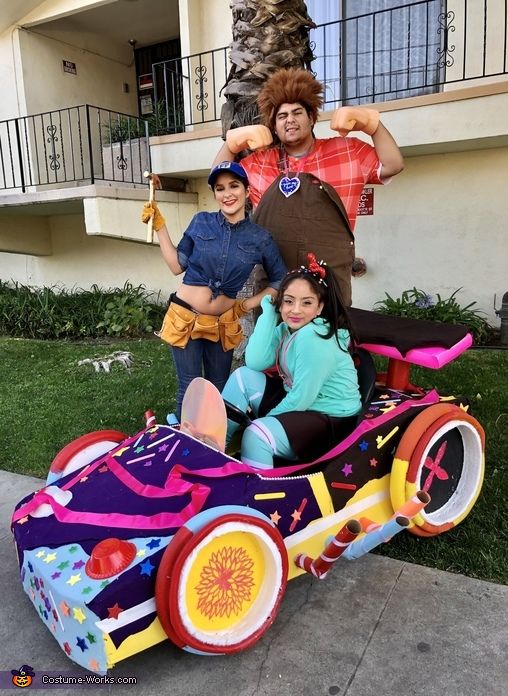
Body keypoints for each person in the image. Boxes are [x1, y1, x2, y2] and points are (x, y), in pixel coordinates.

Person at [213, 68, 404, 306]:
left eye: (297, 112)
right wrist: (231, 145)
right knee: (274, 341)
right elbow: (219, 180)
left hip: (330, 277)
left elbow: (393, 164)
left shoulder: (348, 151)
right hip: (275, 277)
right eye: (281, 116)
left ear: (312, 118)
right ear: (273, 125)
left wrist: (372, 125)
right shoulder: (259, 162)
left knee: (327, 340)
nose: (290, 120)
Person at [141, 161, 287, 418]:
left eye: (234, 186)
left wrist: (245, 305)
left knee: (220, 388)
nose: (227, 194)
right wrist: (160, 225)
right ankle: (186, 445)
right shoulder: (201, 222)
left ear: (246, 190)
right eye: (220, 188)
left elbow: (279, 280)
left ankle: (216, 445)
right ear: (215, 194)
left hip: (222, 323)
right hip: (185, 318)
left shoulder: (260, 238)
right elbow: (177, 266)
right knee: (189, 387)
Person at [221, 253, 362, 469]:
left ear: (320, 307)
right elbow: (256, 362)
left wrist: (263, 421)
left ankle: (255, 491)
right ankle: (215, 445)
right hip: (301, 401)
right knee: (242, 377)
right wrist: (268, 313)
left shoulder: (312, 338)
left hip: (330, 419)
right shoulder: (288, 328)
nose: (295, 310)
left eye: (306, 303)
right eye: (288, 301)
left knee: (257, 435)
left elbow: (301, 399)